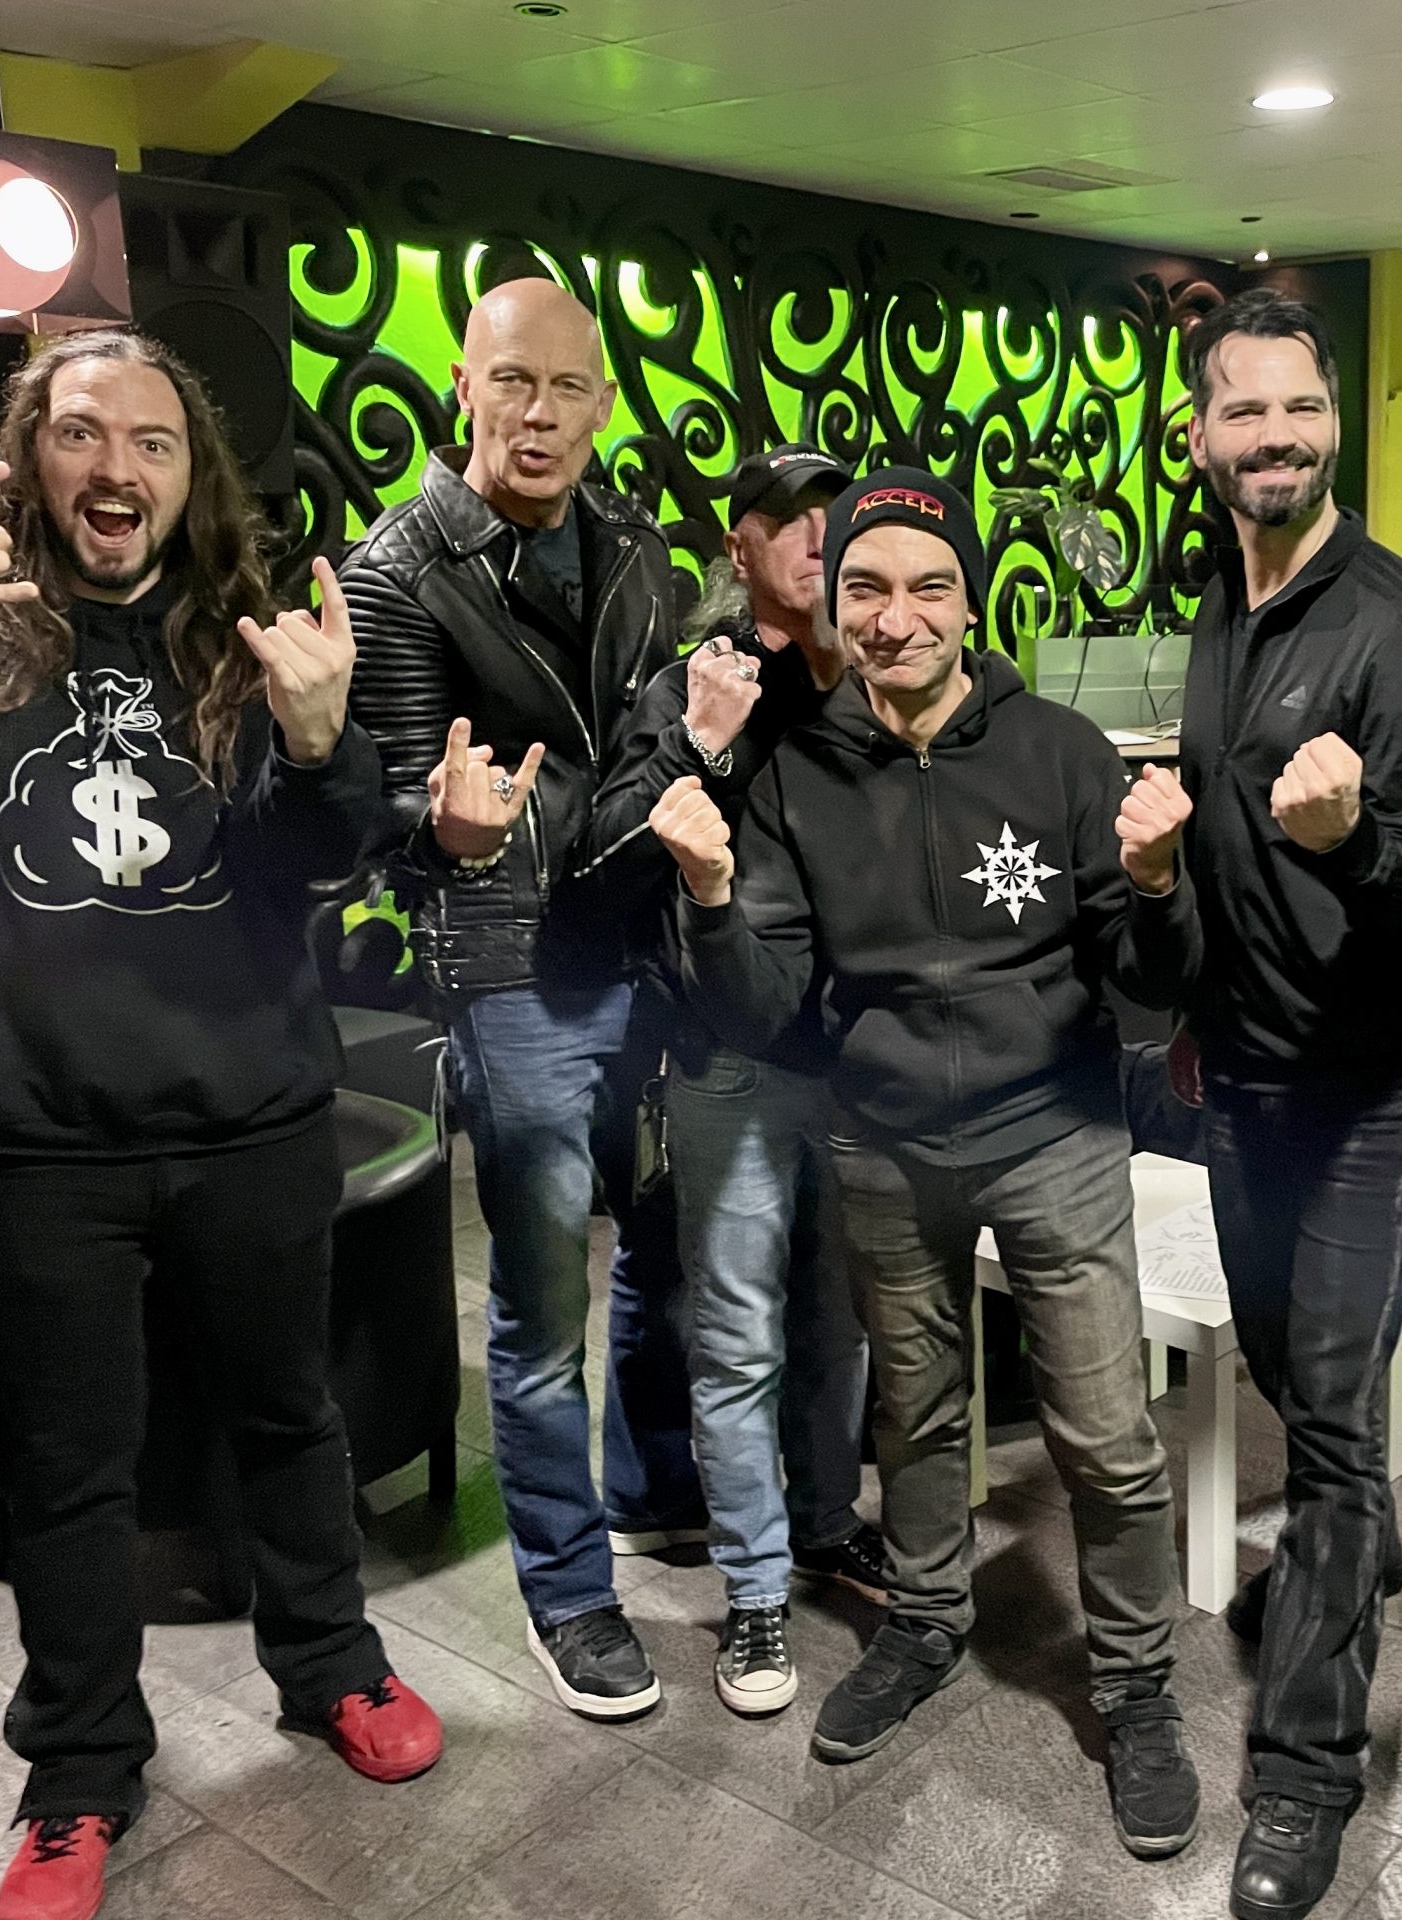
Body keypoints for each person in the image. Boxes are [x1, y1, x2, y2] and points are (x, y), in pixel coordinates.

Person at [0, 329, 442, 1920]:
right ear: (30, 459)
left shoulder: (250, 637)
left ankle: (332, 1664)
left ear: (189, 475)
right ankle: (80, 1772)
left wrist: (322, 741)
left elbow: (317, 866)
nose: (117, 466)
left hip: (248, 1119)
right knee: (65, 1471)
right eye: (81, 433)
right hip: (32, 1146)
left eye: (154, 440)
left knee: (287, 1418)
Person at [648, 465, 1206, 1858]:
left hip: (1056, 1135)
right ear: (833, 603)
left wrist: (1156, 886)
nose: (896, 617)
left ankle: (1136, 1688)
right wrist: (711, 898)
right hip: (882, 1143)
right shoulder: (795, 773)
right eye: (866, 588)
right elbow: (764, 1004)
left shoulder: (1062, 753)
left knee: (1106, 1431)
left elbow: (1147, 989)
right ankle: (927, 1620)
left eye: (927, 586)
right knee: (914, 1414)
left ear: (968, 602)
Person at [338, 276, 692, 1722]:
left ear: (602, 401)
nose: (539, 414)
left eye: (567, 387)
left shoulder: (638, 547)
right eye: (511, 381)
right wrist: (473, 829)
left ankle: (647, 1491)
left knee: (662, 1244)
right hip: (512, 971)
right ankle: (567, 1590)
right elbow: (408, 818)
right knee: (543, 1298)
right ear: (464, 388)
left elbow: (667, 739)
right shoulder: (396, 571)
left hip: (651, 950)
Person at [1172, 288, 1402, 1920]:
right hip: (1245, 1074)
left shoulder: (1399, 625)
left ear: (1334, 420)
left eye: (1301, 407)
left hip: (1367, 1085)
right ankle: (1358, 1547)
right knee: (1283, 1367)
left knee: (1334, 1425)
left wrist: (1354, 839)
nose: (1275, 437)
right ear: (1202, 435)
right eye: (1246, 410)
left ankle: (1304, 1776)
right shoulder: (1224, 599)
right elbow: (1228, 841)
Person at [584, 443, 891, 1718]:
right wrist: (700, 744)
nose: (818, 538)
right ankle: (755, 1589)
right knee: (737, 1337)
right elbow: (607, 858)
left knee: (839, 1327)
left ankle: (825, 1523)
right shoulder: (695, 685)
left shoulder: (873, 677)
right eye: (789, 519)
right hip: (729, 1063)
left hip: (858, 1064)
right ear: (742, 544)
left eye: (835, 516)